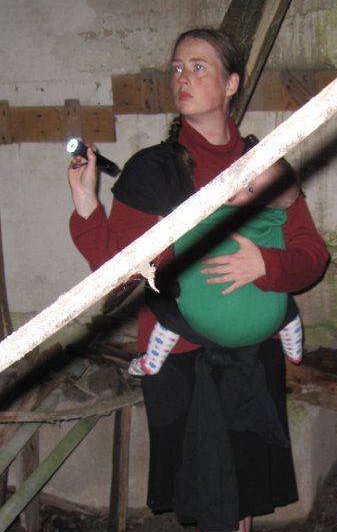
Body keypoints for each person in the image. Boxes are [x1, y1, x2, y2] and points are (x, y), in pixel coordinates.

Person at [67, 27, 329, 532]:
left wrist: (264, 265)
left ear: (232, 83)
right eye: (177, 67)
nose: (183, 77)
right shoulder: (152, 173)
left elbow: (311, 255)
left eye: (200, 66)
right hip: (185, 359)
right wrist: (86, 204)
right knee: (218, 502)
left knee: (235, 500)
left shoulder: (267, 164)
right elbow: (115, 272)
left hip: (253, 357)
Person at [128, 158, 306, 376]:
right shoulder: (276, 219)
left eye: (250, 189)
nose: (239, 187)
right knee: (288, 308)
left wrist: (165, 218)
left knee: (167, 312)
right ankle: (294, 350)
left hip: (206, 323)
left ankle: (153, 360)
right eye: (243, 178)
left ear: (268, 203)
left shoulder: (204, 212)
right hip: (270, 322)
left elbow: (170, 220)